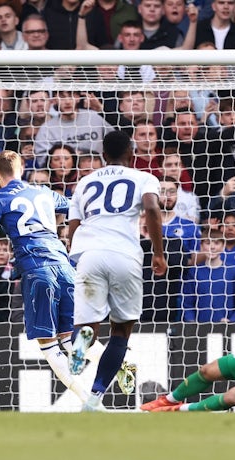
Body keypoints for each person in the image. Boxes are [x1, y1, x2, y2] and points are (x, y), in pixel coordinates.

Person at [0, 150, 90, 404]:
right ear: (22, 168)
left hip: (37, 269)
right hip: (65, 267)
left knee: (49, 344)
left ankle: (90, 400)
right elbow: (75, 206)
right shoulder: (43, 192)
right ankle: (118, 362)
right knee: (69, 337)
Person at [66, 131, 166, 411]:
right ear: (132, 154)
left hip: (90, 255)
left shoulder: (84, 182)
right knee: (121, 332)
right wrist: (158, 253)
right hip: (125, 255)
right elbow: (152, 208)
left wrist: (78, 257)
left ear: (102, 156)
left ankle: (82, 342)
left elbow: (74, 226)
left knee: (87, 327)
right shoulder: (143, 177)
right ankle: (95, 397)